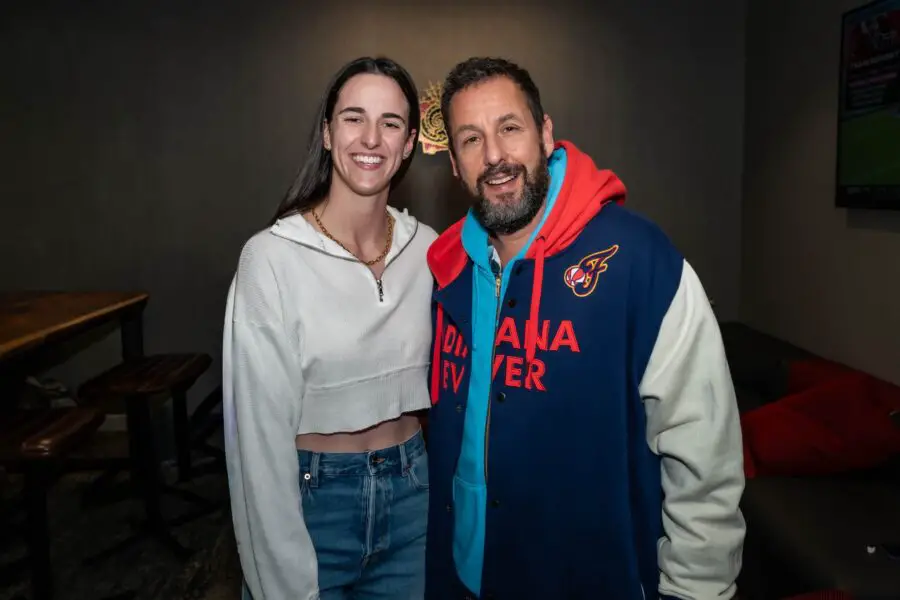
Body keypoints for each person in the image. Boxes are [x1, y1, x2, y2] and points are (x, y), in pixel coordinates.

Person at [424, 57, 745, 600]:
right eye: (471, 139)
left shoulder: (640, 262)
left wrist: (698, 590)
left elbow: (705, 459)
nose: (496, 156)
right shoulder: (447, 268)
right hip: (464, 578)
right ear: (454, 164)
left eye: (510, 128)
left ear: (546, 134)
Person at [223, 56, 437, 600]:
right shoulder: (271, 259)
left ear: (409, 142)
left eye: (391, 123)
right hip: (315, 500)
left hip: (413, 495)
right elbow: (257, 442)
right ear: (326, 131)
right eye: (353, 118)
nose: (371, 137)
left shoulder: (432, 251)